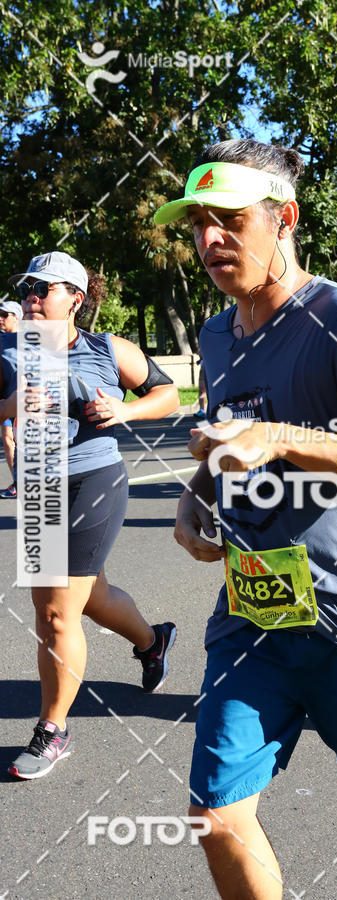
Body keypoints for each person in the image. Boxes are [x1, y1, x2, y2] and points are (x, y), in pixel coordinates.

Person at [156, 139, 337, 900]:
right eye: (198, 224)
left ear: (283, 218)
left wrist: (284, 439)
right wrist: (195, 496)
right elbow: (227, 434)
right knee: (215, 815)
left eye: (229, 220)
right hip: (254, 614)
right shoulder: (218, 334)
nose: (210, 239)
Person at [3, 251, 179, 779]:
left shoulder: (107, 348)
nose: (31, 296)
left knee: (58, 612)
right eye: (27, 287)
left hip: (93, 480)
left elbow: (167, 395)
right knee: (89, 598)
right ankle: (152, 640)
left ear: (76, 298)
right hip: (38, 487)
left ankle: (54, 730)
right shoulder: (7, 348)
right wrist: (15, 402)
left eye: (45, 288)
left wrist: (125, 409)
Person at [0, 299, 22, 498]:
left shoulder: (32, 340)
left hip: (29, 404)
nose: (0, 319)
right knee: (8, 440)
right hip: (7, 402)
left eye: (4, 315)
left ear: (17, 317)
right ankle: (17, 482)